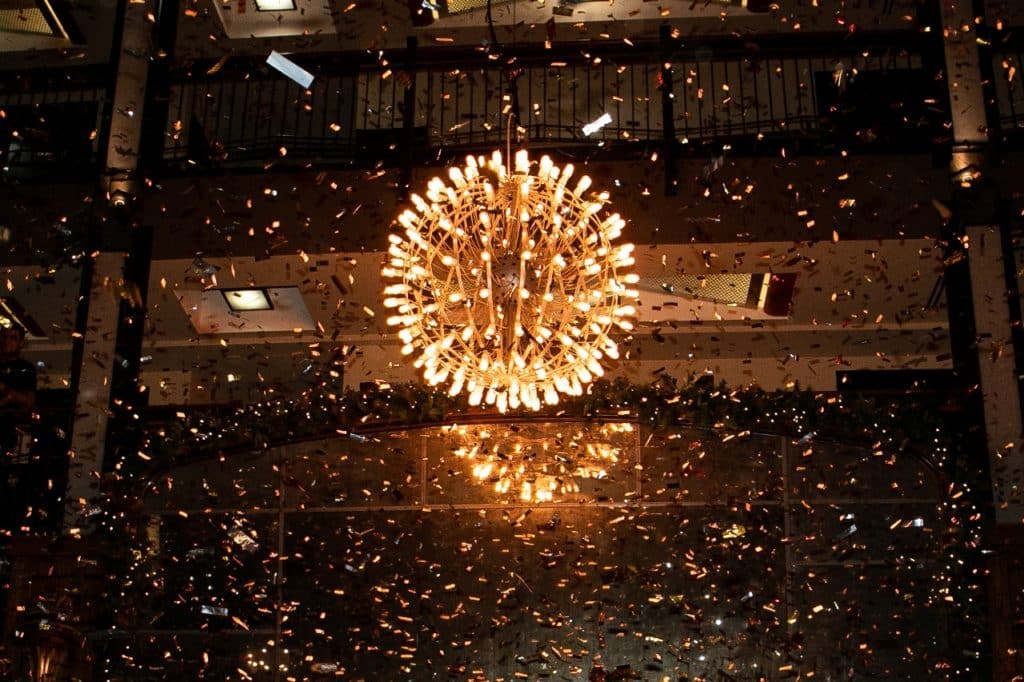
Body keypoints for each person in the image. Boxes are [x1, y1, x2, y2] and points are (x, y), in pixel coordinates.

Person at [0, 324, 35, 458]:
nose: (7, 341)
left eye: (12, 338)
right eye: (4, 337)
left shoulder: (25, 368)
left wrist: (6, 391)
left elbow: (28, 402)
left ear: (21, 342)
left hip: (7, 429)